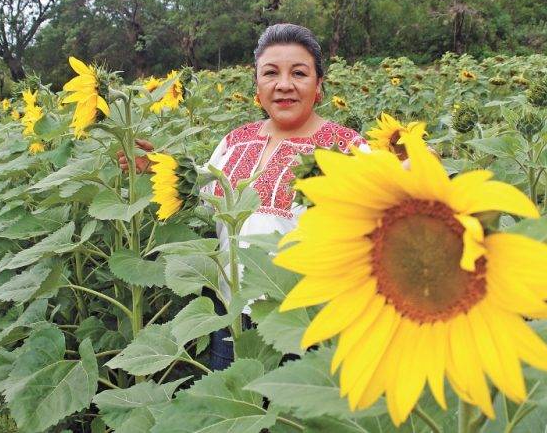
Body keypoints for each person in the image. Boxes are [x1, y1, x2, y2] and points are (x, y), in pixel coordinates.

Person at [118, 23, 369, 369]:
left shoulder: (347, 147)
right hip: (231, 311)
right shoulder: (236, 140)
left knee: (292, 418)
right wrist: (158, 164)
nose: (284, 85)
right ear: (257, 87)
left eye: (299, 73)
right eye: (270, 73)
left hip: (305, 317)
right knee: (236, 409)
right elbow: (206, 192)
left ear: (319, 87)